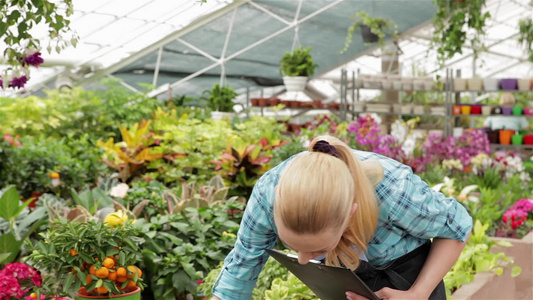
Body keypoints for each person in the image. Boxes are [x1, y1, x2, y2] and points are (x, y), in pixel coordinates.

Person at [210, 135, 472, 300]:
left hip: (407, 282)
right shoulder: (269, 192)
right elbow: (241, 268)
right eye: (293, 246)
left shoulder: (391, 190)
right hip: (345, 283)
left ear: (350, 214)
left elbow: (458, 226)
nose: (302, 260)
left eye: (317, 249)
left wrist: (418, 294)